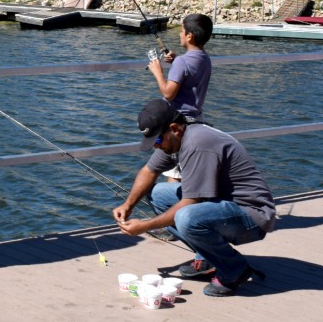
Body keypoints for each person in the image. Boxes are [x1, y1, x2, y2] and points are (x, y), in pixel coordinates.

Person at [113, 98, 276, 297]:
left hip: (252, 216)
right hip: (222, 206)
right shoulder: (175, 139)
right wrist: (128, 205)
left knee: (186, 217)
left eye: (156, 140)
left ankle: (235, 270)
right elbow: (149, 171)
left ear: (174, 128)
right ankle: (208, 259)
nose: (156, 146)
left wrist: (145, 226)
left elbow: (189, 203)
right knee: (158, 194)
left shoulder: (198, 143)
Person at [147, 13, 213, 181]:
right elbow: (190, 72)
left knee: (172, 173)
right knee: (187, 170)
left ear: (189, 36)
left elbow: (168, 94)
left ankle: (173, 205)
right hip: (196, 119)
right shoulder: (205, 59)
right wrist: (176, 60)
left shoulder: (182, 62)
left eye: (182, 30)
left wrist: (158, 72)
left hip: (177, 125)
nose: (179, 34)